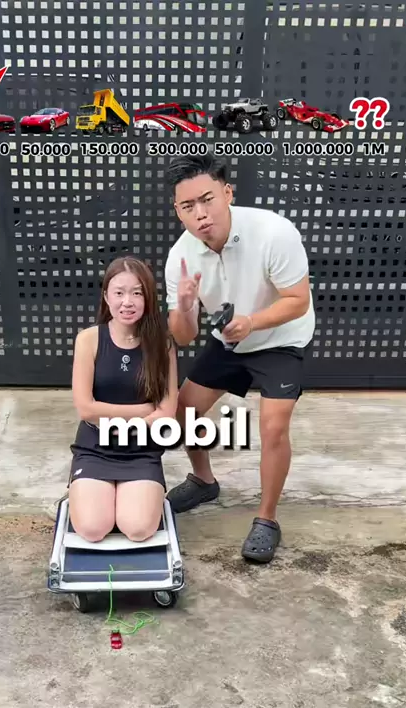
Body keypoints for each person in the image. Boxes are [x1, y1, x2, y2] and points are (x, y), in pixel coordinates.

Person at [163, 152, 315, 563]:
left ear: (227, 193)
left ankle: (267, 519)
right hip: (230, 337)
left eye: (207, 199)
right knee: (182, 412)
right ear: (177, 211)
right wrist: (184, 306)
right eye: (188, 206)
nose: (201, 213)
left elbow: (298, 301)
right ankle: (204, 481)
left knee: (273, 426)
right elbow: (184, 336)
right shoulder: (180, 258)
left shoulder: (273, 231)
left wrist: (252, 322)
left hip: (281, 335)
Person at [68, 256, 178, 542]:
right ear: (106, 297)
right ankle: (89, 494)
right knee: (93, 529)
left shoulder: (163, 344)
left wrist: (120, 422)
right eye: (119, 293)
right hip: (95, 446)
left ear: (148, 298)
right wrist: (143, 411)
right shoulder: (89, 339)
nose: (127, 302)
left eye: (137, 293)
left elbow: (167, 411)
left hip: (141, 449)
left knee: (138, 528)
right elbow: (86, 408)